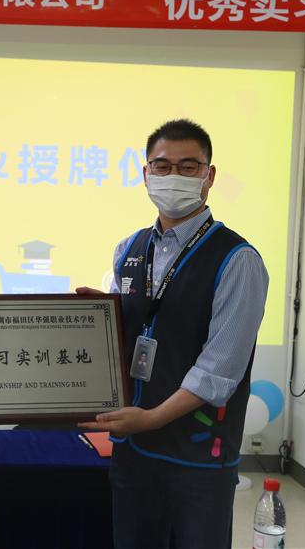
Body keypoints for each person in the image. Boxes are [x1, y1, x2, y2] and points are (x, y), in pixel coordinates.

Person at [77, 119, 269, 549]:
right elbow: (129, 332)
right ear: (146, 174)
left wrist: (151, 419)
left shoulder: (238, 260)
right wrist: (98, 317)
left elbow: (219, 371)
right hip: (134, 449)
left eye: (188, 166)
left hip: (198, 457)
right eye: (162, 166)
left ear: (209, 176)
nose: (173, 176)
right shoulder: (129, 248)